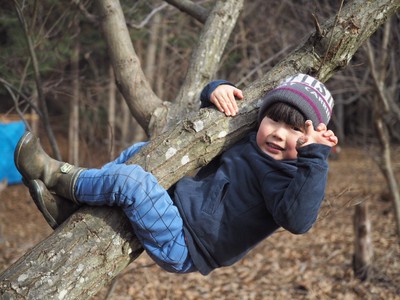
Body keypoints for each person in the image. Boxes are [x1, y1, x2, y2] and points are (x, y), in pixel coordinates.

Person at [15, 73, 338, 276]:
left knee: (132, 181)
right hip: (175, 204)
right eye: (274, 120)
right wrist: (216, 89)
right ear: (262, 116)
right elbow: (231, 106)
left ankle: (53, 173)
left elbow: (298, 220)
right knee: (138, 152)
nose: (279, 134)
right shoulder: (251, 137)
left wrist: (315, 158)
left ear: (310, 140)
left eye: (295, 130)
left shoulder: (288, 177)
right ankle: (73, 206)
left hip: (185, 244)